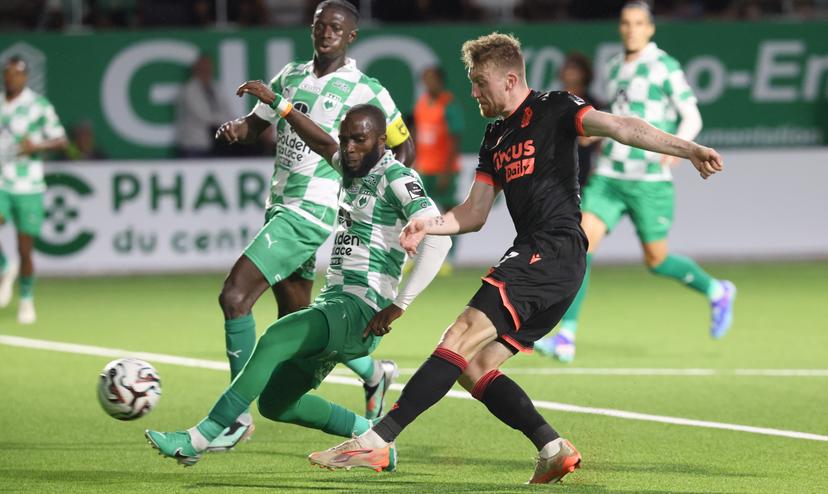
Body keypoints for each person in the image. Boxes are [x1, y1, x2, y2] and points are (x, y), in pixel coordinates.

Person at [307, 32, 723, 484]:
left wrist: (689, 148)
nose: (473, 92)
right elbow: (475, 212)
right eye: (470, 83)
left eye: (480, 83)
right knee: (475, 367)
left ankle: (377, 440)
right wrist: (431, 224)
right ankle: (552, 448)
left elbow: (623, 126)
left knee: (459, 334)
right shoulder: (495, 137)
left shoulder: (556, 107)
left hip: (553, 249)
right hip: (547, 263)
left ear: (510, 79)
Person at [145, 97, 451, 470]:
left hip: (363, 308)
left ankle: (198, 438)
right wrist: (280, 105)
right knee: (277, 403)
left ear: (382, 143)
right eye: (346, 139)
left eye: (359, 140)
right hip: (336, 303)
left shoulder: (397, 177)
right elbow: (323, 144)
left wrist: (400, 304)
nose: (349, 148)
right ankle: (373, 436)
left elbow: (439, 237)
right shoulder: (352, 166)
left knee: (276, 337)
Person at [207, 0, 416, 450]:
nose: (327, 33)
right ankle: (374, 375)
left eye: (336, 28)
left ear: (351, 36)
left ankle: (234, 417)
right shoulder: (290, 76)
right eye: (321, 26)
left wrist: (382, 201)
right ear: (312, 29)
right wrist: (235, 130)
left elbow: (404, 147)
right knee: (295, 319)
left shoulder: (367, 89)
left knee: (235, 295)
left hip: (313, 209)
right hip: (280, 202)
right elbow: (255, 126)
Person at [535, 1, 736, 363]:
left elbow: (692, 115)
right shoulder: (614, 68)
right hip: (611, 176)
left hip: (648, 181)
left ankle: (716, 290)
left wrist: (678, 151)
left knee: (656, 260)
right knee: (580, 246)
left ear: (651, 28)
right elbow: (621, 120)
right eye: (626, 23)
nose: (631, 29)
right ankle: (566, 336)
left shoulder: (664, 67)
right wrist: (597, 137)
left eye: (639, 23)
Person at [0, 55, 67, 324]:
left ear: (25, 77)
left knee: (25, 249)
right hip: (2, 180)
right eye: (7, 72)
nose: (10, 77)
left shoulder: (37, 106)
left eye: (16, 73)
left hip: (28, 184)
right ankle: (5, 266)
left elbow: (61, 140)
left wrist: (35, 147)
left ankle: (26, 299)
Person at [413, 65, 464, 274]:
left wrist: (446, 170)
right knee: (421, 212)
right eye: (426, 79)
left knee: (449, 211)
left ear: (441, 82)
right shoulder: (421, 104)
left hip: (445, 169)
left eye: (433, 79)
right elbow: (418, 135)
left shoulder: (449, 105)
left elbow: (455, 139)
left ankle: (449, 258)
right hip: (425, 168)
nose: (429, 84)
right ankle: (418, 256)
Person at [558, 51, 603, 187]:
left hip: (584, 169)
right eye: (568, 67)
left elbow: (601, 142)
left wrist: (598, 168)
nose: (570, 72)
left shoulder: (593, 105)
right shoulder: (553, 103)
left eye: (575, 68)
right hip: (556, 170)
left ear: (585, 73)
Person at [174, 54, 233, 158]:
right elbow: (204, 116)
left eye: (208, 68)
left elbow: (226, 109)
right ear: (196, 70)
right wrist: (226, 121)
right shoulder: (189, 90)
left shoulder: (215, 87)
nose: (206, 71)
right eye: (203, 69)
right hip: (194, 145)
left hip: (214, 145)